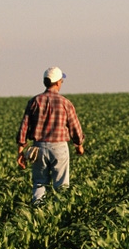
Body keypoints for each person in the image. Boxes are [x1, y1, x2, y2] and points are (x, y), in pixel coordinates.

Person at [16, 66, 85, 206]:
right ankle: (59, 215)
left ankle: (37, 214)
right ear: (58, 82)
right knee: (61, 186)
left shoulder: (34, 101)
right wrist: (79, 144)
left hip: (38, 148)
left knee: (39, 183)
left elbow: (24, 126)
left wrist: (20, 151)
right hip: (59, 148)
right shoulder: (65, 103)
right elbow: (75, 127)